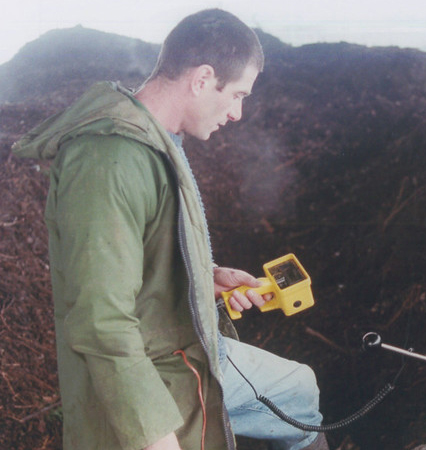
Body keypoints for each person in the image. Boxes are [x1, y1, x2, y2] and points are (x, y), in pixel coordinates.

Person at [12, 9, 328, 450]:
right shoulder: (110, 162)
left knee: (299, 391)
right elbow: (101, 321)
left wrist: (203, 276)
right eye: (237, 95)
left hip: (176, 344)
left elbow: (136, 249)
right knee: (298, 394)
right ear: (201, 79)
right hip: (157, 370)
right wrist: (156, 434)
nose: (237, 113)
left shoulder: (155, 138)